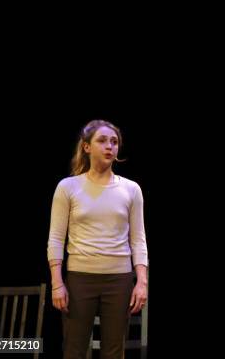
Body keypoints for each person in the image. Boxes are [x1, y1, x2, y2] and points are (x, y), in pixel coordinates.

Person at [47, 120, 149, 359]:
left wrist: (142, 281)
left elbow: (138, 239)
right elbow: (55, 237)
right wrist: (56, 282)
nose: (109, 147)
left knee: (114, 351)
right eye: (102, 141)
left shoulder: (131, 189)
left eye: (114, 142)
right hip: (80, 278)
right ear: (86, 147)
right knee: (74, 349)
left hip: (119, 279)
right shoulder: (68, 187)